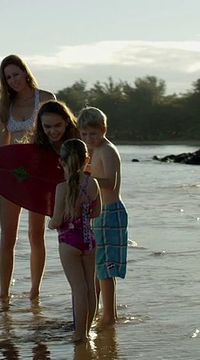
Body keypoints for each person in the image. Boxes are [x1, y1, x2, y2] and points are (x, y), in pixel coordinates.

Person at [0, 55, 56, 301]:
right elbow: (3, 142)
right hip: (12, 176)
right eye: (8, 78)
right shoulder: (5, 105)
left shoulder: (45, 99)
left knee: (36, 234)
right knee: (7, 236)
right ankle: (4, 293)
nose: (13, 81)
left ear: (25, 72)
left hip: (39, 175)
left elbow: (55, 134)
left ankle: (34, 291)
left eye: (16, 74)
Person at [77, 106, 128, 328]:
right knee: (98, 266)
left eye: (93, 134)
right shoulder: (93, 150)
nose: (89, 138)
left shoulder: (106, 150)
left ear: (103, 129)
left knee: (106, 267)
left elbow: (111, 183)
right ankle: (98, 310)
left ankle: (109, 315)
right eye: (84, 134)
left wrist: (87, 177)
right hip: (99, 213)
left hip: (110, 212)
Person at [48, 138, 102, 344]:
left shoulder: (62, 188)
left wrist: (50, 224)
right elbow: (97, 212)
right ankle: (87, 330)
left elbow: (57, 220)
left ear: (61, 162)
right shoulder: (93, 183)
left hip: (69, 242)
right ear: (86, 159)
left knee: (78, 289)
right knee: (90, 287)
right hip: (89, 240)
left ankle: (79, 336)